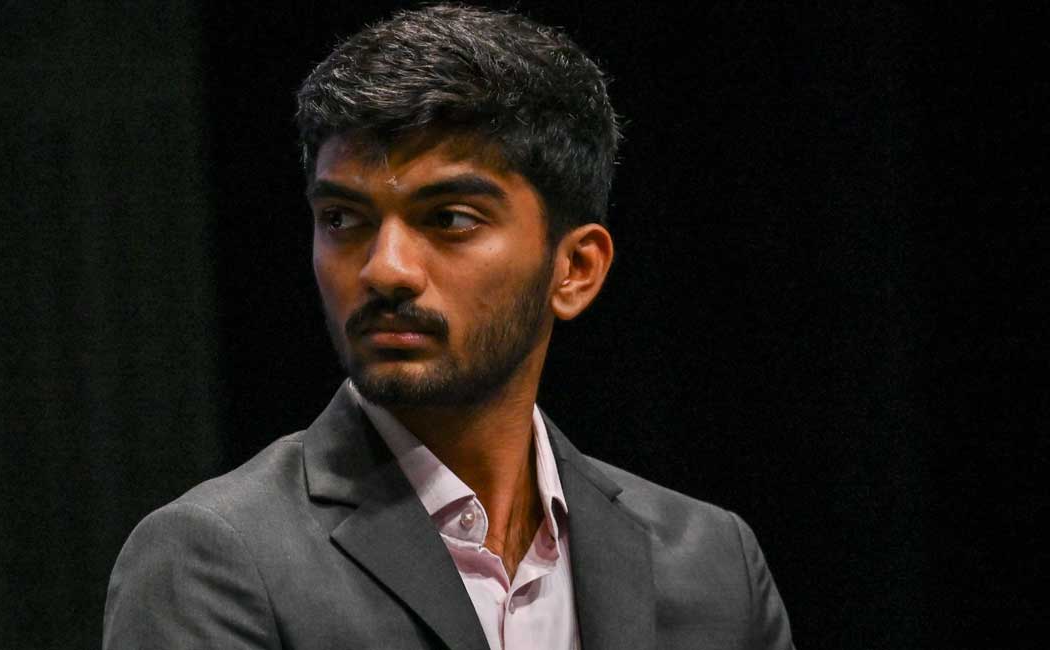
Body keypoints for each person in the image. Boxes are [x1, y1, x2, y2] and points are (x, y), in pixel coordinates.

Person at [103, 5, 794, 649]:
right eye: (343, 219)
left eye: (450, 219)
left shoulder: (709, 564)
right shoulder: (216, 559)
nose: (385, 270)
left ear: (576, 268)